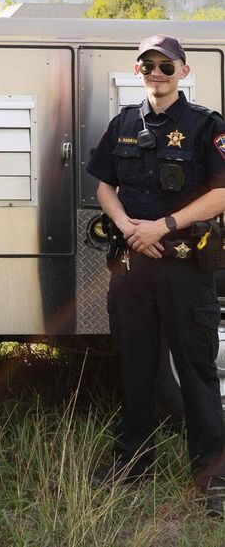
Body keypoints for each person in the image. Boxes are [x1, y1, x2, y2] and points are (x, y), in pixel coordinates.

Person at [87, 34, 225, 515]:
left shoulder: (207, 125)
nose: (156, 74)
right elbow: (105, 184)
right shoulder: (123, 123)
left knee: (197, 371)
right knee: (136, 367)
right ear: (137, 69)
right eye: (148, 65)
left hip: (185, 266)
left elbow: (222, 192)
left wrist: (163, 225)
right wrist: (127, 226)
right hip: (132, 266)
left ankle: (213, 478)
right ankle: (132, 463)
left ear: (183, 72)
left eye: (166, 66)